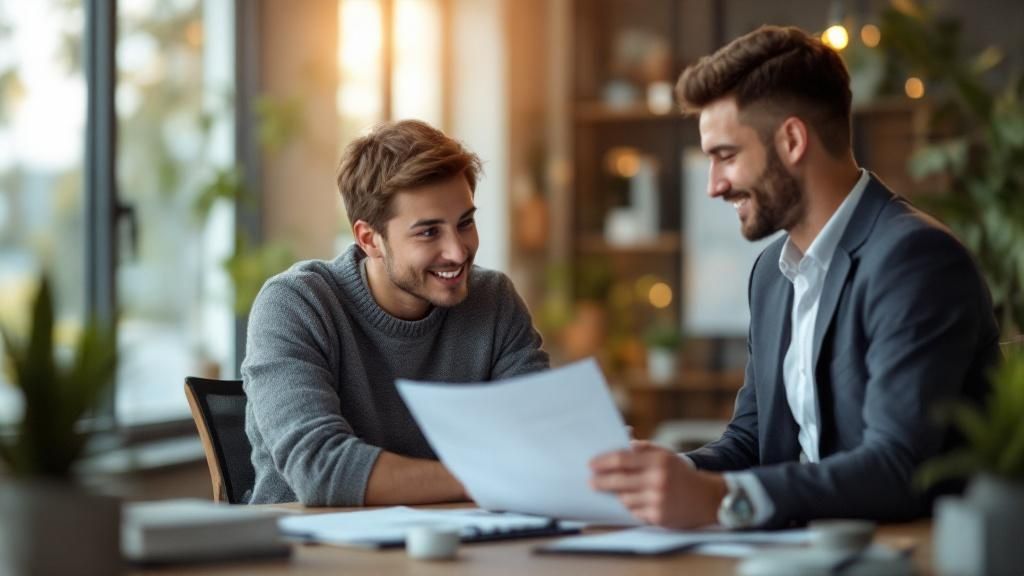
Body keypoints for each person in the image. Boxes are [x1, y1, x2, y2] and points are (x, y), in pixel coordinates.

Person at [590, 25, 1000, 529]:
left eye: (725, 156)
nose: (713, 186)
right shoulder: (771, 273)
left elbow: (897, 467)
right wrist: (671, 472)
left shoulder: (915, 259)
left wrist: (720, 496)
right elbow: (754, 440)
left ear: (791, 140)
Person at [243, 119, 549, 506]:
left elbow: (543, 440)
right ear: (370, 239)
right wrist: (492, 474)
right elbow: (323, 470)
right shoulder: (296, 305)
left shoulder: (493, 300)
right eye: (428, 232)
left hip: (453, 549)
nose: (458, 252)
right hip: (310, 554)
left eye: (465, 223)